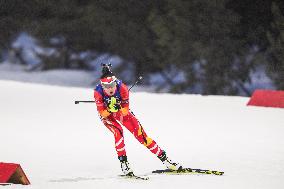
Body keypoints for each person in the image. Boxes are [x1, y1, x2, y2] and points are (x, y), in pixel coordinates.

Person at [94, 64, 181, 175]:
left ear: (115, 82)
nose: (109, 88)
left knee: (142, 137)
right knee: (118, 132)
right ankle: (124, 164)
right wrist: (111, 109)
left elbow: (125, 111)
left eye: (111, 84)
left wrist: (118, 107)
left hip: (121, 112)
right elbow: (103, 113)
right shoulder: (98, 92)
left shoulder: (123, 88)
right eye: (106, 86)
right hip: (108, 116)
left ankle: (167, 160)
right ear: (102, 86)